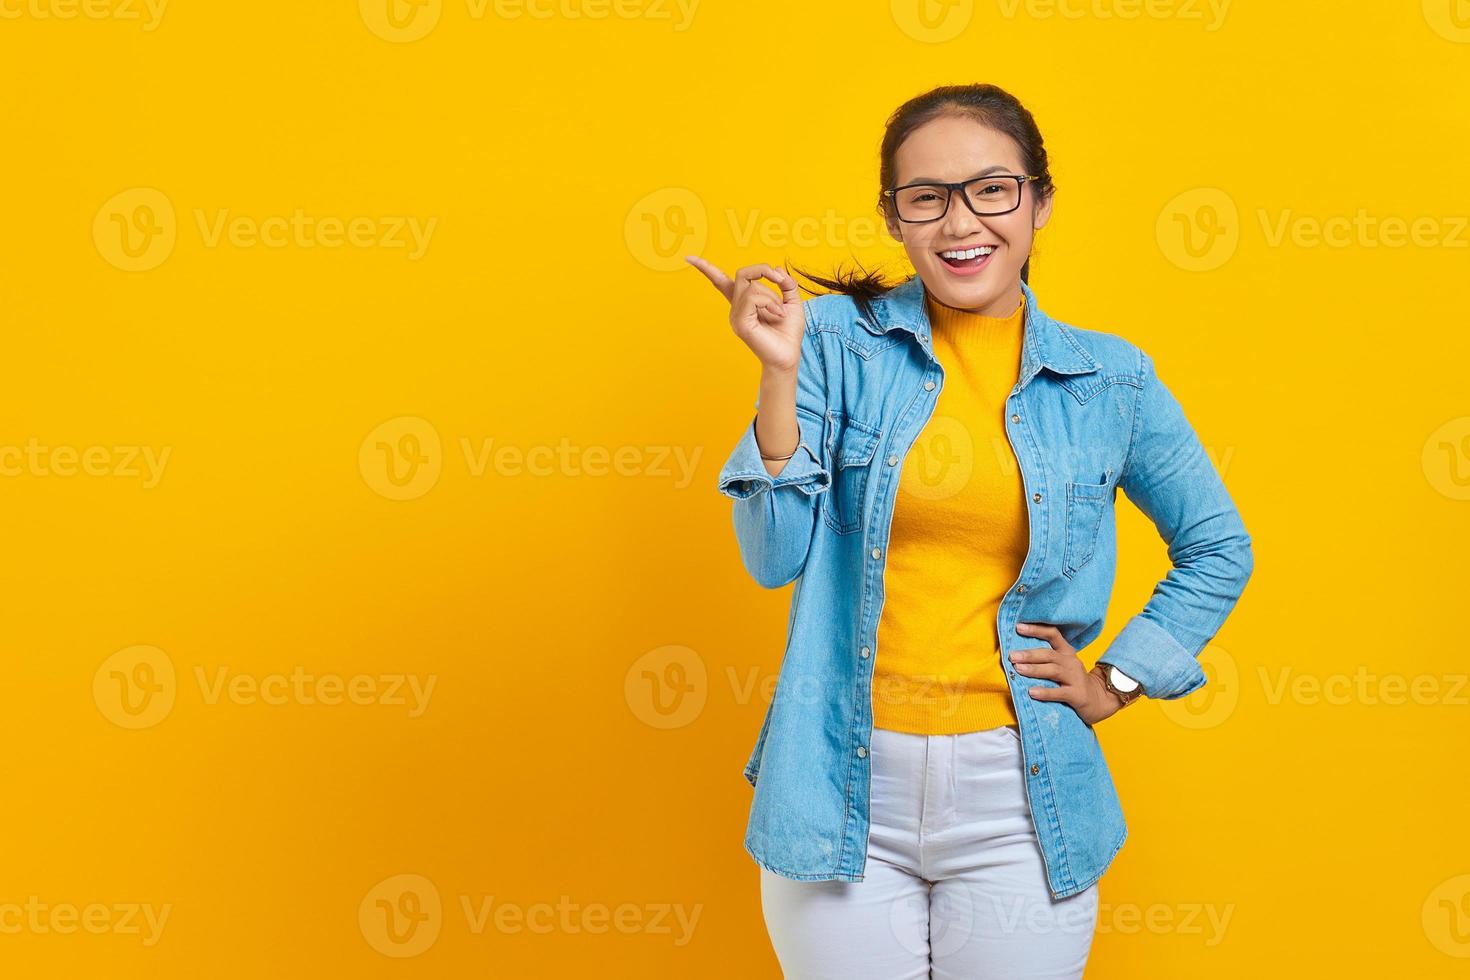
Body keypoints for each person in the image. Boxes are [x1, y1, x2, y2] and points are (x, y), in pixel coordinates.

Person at [690, 82, 1253, 979]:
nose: (961, 222)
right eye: (928, 197)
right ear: (895, 217)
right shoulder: (831, 340)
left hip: (1019, 796)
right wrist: (777, 377)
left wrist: (1119, 678)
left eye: (992, 189)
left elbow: (1218, 545)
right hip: (841, 781)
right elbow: (772, 559)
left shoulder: (1111, 379)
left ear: (1039, 201)